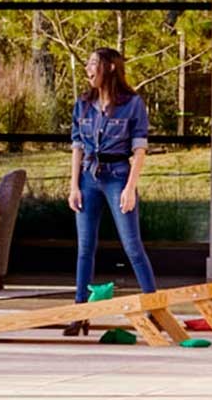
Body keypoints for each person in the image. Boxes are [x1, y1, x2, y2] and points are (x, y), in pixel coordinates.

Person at [66, 47, 157, 334]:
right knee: (85, 247)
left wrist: (130, 187)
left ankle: (154, 308)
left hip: (118, 175)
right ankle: (80, 311)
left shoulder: (132, 104)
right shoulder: (83, 104)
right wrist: (73, 186)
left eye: (94, 63)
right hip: (88, 177)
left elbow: (139, 149)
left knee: (132, 245)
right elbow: (77, 147)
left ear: (111, 68)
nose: (88, 69)